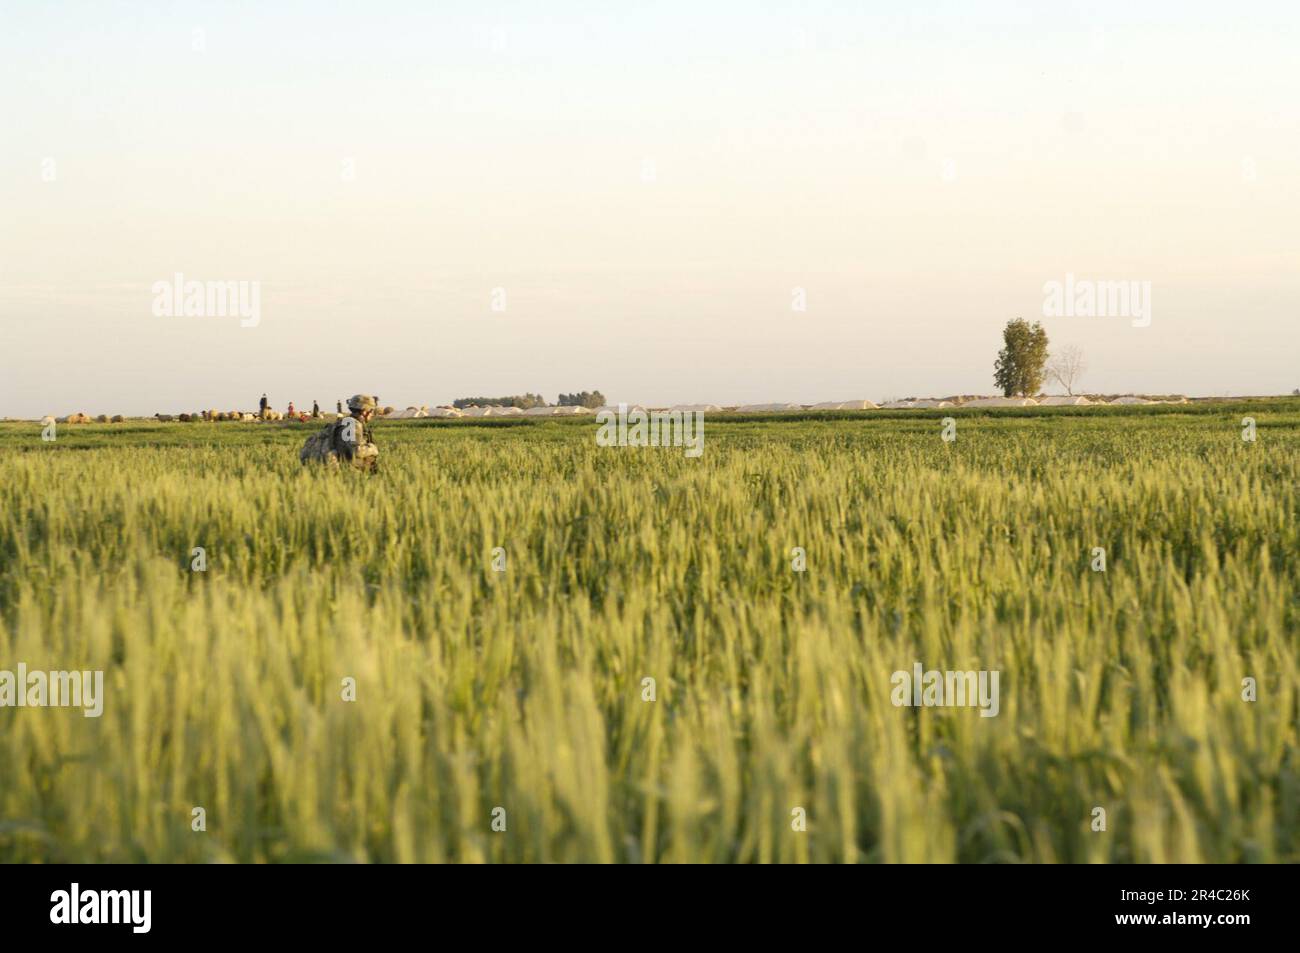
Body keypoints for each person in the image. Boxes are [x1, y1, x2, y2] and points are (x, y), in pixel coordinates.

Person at [299, 394, 379, 472]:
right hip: (342, 470)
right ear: (365, 411)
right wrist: (373, 448)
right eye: (372, 411)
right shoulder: (351, 424)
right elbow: (355, 452)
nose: (372, 414)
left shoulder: (346, 422)